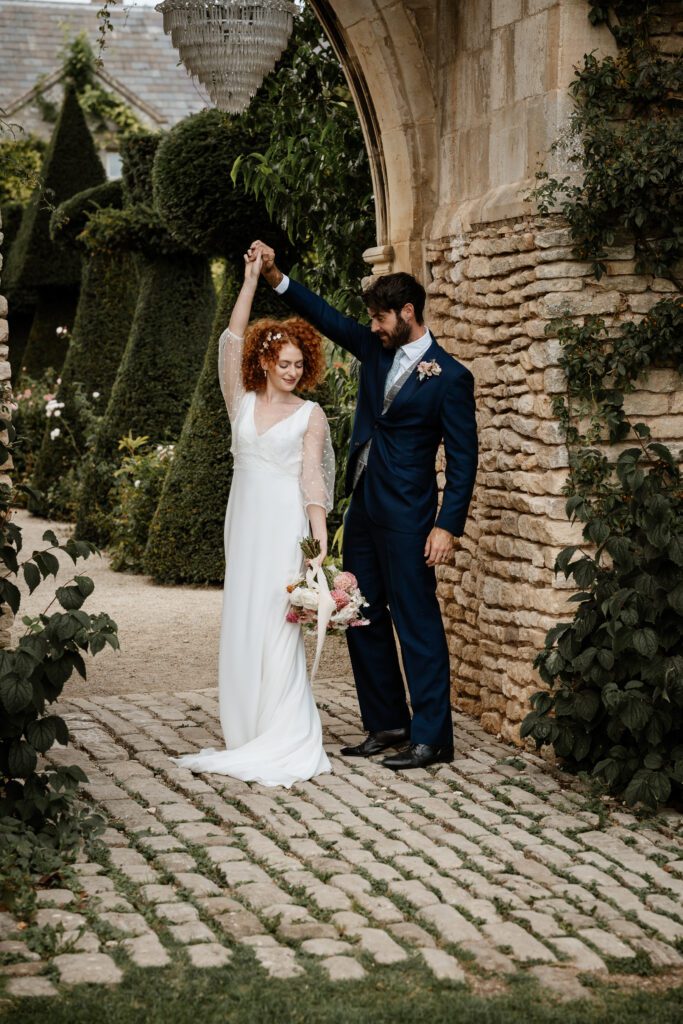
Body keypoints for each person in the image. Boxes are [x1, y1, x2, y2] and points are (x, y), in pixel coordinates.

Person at [248, 240, 478, 770]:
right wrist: (276, 276)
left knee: (416, 621)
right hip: (364, 510)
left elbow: (464, 460)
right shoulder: (374, 348)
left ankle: (432, 737)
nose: (371, 327)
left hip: (411, 515)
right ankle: (386, 723)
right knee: (361, 615)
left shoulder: (450, 378)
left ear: (407, 314)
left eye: (379, 318)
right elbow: (326, 317)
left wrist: (447, 526)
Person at [170, 250, 335, 787]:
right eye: (283, 363)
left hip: (284, 526)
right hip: (243, 524)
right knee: (243, 618)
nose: (292, 372)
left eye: (298, 365)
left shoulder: (311, 416)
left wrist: (319, 543)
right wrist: (246, 283)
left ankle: (284, 729)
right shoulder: (239, 402)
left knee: (277, 622)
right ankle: (245, 730)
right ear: (265, 363)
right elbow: (231, 341)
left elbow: (313, 479)